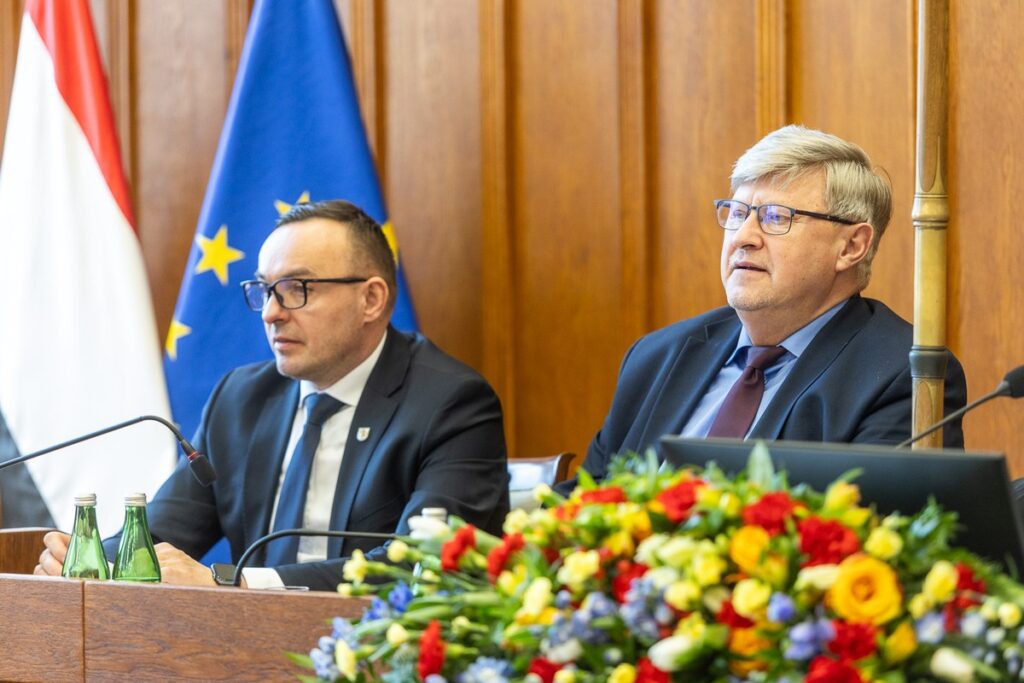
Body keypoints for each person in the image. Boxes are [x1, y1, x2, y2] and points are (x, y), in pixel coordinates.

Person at [36, 200, 509, 590]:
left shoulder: (452, 404)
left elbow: (422, 566)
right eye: (264, 290)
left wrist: (238, 587)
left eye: (296, 289)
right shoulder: (242, 398)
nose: (271, 313)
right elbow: (162, 533)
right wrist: (88, 562)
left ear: (372, 299)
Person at [573, 125, 967, 486]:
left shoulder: (905, 376)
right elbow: (583, 500)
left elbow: (868, 536)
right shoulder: (657, 356)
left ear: (851, 246)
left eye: (776, 217)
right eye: (738, 213)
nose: (744, 236)